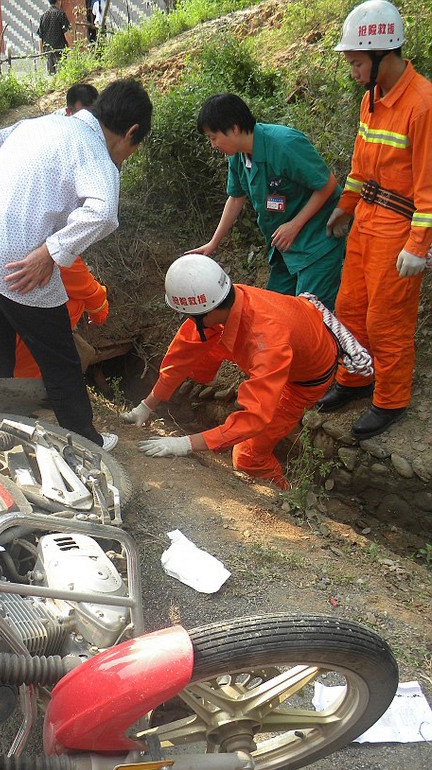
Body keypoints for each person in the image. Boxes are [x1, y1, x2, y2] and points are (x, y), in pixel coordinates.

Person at [0, 78, 153, 449]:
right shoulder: (94, 149)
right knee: (61, 360)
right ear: (131, 132)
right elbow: (104, 213)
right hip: (20, 266)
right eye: (133, 148)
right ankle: (85, 440)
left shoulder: (39, 123)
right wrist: (51, 252)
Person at [123, 254, 342, 489]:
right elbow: (181, 355)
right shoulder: (225, 301)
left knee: (247, 456)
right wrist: (147, 405)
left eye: (190, 317)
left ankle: (285, 496)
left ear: (207, 313)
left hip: (306, 377)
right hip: (299, 332)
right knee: (196, 348)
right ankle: (202, 378)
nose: (187, 320)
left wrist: (186, 444)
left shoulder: (267, 342)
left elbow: (255, 418)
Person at [318, 0, 432, 440]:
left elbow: (427, 184)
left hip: (399, 228)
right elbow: (360, 164)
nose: (352, 70)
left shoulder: (421, 105)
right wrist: (345, 206)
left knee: (388, 319)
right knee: (349, 308)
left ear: (384, 53)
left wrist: (418, 245)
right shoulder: (373, 99)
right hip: (367, 218)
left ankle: (391, 398)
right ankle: (355, 378)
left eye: (356, 62)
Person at [192, 94, 345, 311]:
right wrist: (213, 243)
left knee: (313, 315)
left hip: (316, 242)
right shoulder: (238, 156)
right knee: (276, 312)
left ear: (234, 128)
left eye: (213, 137)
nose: (213, 145)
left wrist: (295, 225)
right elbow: (236, 197)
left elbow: (327, 185)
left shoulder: (284, 144)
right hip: (285, 250)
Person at [37, 0, 71, 75]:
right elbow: (66, 33)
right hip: (60, 50)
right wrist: (72, 47)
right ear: (58, 1)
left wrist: (41, 52)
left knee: (52, 76)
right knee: (62, 74)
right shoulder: (61, 14)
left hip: (48, 51)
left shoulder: (43, 16)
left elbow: (40, 37)